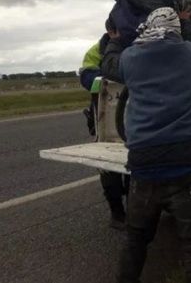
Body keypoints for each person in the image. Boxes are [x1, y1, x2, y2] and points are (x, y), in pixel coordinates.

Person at [101, 7, 191, 283]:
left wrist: (116, 38)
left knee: (135, 241)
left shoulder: (132, 58)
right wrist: (188, 20)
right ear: (176, 30)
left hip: (145, 165)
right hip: (186, 163)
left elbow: (108, 65)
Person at [79, 20, 131, 230]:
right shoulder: (96, 51)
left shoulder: (133, 45)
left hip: (131, 114)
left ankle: (135, 210)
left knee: (132, 167)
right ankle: (117, 213)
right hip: (105, 116)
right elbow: (87, 78)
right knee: (108, 167)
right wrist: (108, 79)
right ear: (110, 31)